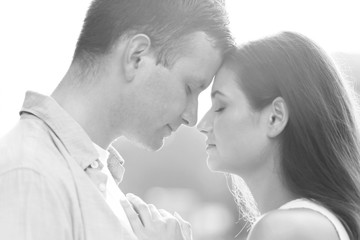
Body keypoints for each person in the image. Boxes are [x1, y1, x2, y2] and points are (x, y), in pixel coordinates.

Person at [0, 0, 233, 239]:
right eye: (189, 88)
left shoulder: (93, 179)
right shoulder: (32, 176)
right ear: (136, 57)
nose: (191, 117)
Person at [122, 32, 360, 240]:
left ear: (275, 118)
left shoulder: (282, 230)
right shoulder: (320, 223)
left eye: (220, 107)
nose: (202, 124)